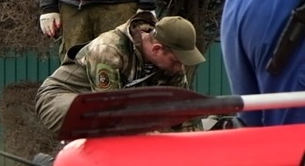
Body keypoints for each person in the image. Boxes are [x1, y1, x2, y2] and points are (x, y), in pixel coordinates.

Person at [36, 14, 205, 135]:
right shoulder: (109, 49)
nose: (179, 67)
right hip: (62, 97)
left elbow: (184, 113)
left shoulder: (171, 65)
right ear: (157, 49)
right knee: (98, 118)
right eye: (176, 61)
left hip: (101, 104)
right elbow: (109, 110)